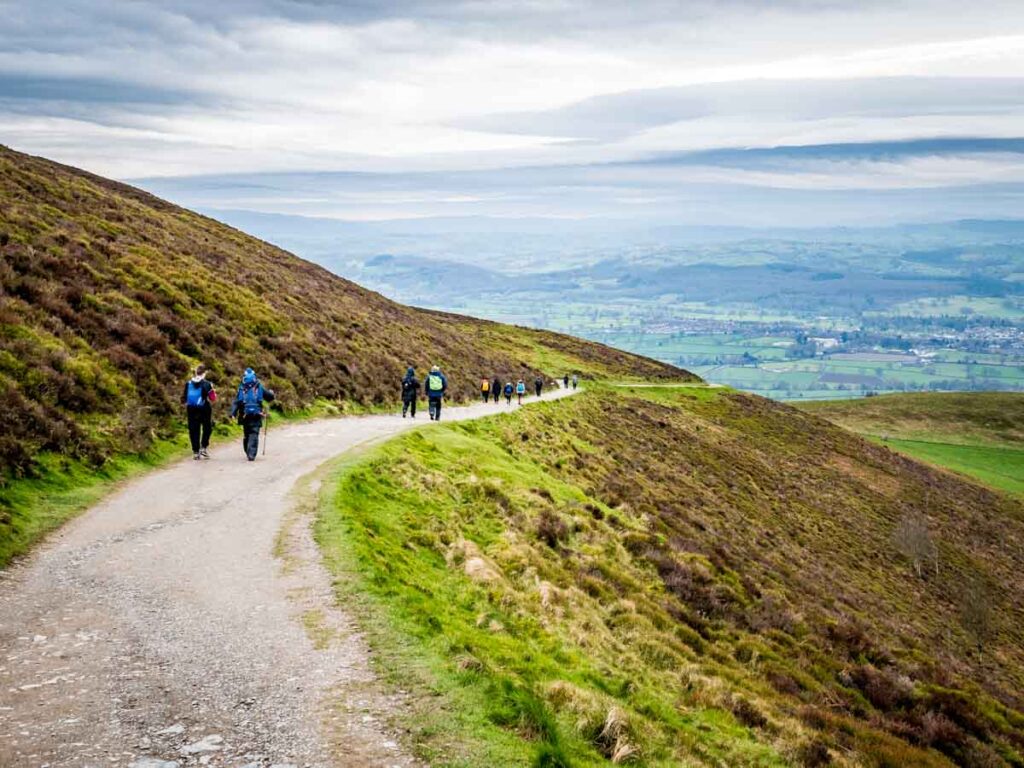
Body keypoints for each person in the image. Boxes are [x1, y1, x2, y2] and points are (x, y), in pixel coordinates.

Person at [231, 367, 275, 461]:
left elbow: (237, 401)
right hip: (257, 413)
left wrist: (233, 413)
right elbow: (269, 397)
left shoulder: (242, 387)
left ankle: (248, 451)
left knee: (247, 433)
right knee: (254, 433)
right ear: (254, 376)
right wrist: (272, 393)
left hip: (244, 414)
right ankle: (251, 454)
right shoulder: (258, 386)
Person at [181, 364, 217, 460]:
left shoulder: (188, 384)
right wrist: (212, 389)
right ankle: (203, 447)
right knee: (207, 428)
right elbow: (213, 398)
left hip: (191, 409)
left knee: (193, 430)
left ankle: (196, 452)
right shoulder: (207, 384)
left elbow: (183, 398)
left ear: (196, 372)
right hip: (204, 408)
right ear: (204, 373)